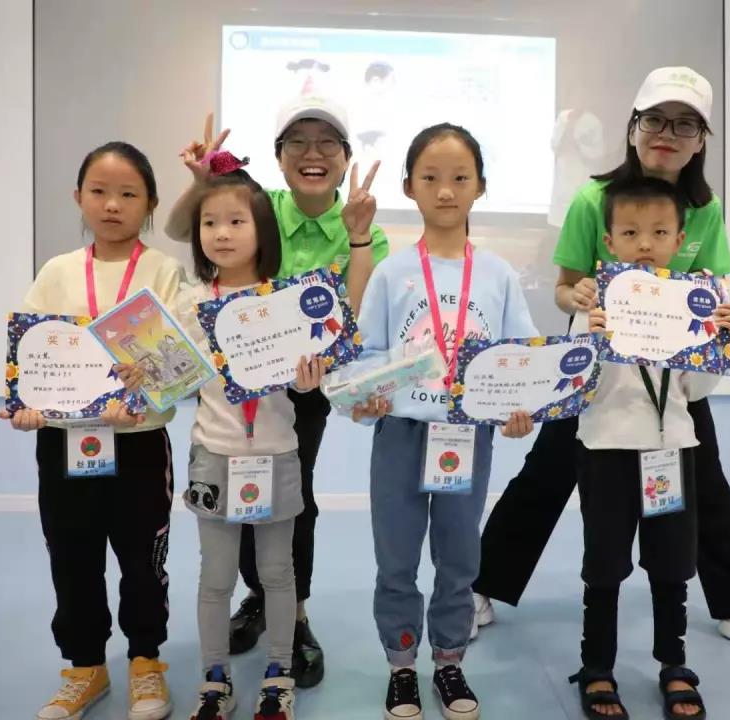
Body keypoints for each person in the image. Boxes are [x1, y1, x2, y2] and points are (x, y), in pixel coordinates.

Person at [474, 66, 730, 661]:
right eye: (655, 120)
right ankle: (480, 588)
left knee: (705, 484)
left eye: (685, 125)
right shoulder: (592, 200)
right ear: (633, 127)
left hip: (672, 380)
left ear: (701, 141)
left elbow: (712, 289)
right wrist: (579, 297)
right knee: (547, 474)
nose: (666, 134)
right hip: (595, 369)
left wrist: (725, 323)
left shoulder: (705, 209)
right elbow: (565, 287)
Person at [166, 97, 388, 687]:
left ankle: (294, 609)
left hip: (303, 382)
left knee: (291, 496)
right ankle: (261, 598)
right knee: (235, 491)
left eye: (327, 142)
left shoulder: (362, 224)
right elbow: (191, 227)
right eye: (297, 142)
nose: (313, 153)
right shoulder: (258, 205)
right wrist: (202, 183)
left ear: (346, 156)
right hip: (226, 393)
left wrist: (358, 239)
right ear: (279, 156)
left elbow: (351, 313)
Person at [351, 123, 537, 720]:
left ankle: (450, 661)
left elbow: (519, 356)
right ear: (409, 186)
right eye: (430, 178)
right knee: (396, 558)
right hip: (402, 435)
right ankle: (402, 665)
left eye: (460, 177)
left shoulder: (499, 275)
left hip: (468, 435)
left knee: (459, 559)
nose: (447, 190)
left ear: (481, 186)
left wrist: (520, 411)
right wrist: (367, 396)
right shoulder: (391, 272)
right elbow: (369, 353)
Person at [1, 141, 183, 720]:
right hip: (63, 446)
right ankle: (85, 668)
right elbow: (32, 355)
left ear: (150, 203)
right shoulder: (56, 272)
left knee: (143, 562)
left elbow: (175, 368)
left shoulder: (162, 271)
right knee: (72, 557)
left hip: (139, 446)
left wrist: (141, 395)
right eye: (99, 192)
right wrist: (28, 407)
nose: (112, 205)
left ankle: (146, 663)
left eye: (128, 194)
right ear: (78, 196)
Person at [568, 176, 730, 720]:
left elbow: (696, 391)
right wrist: (590, 337)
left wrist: (720, 342)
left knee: (672, 565)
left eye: (659, 232)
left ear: (679, 240)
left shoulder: (691, 306)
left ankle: (674, 664)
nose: (645, 243)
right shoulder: (591, 307)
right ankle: (597, 667)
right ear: (609, 242)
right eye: (630, 232)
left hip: (672, 450)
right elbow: (575, 386)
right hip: (606, 451)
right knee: (604, 565)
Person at [170, 166, 327, 720]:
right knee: (215, 578)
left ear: (263, 229)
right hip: (213, 455)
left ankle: (278, 674)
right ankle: (215, 679)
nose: (221, 233)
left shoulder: (291, 302)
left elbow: (305, 383)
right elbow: (176, 377)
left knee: (277, 574)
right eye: (209, 222)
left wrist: (310, 380)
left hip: (277, 453)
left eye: (236, 221)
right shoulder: (191, 303)